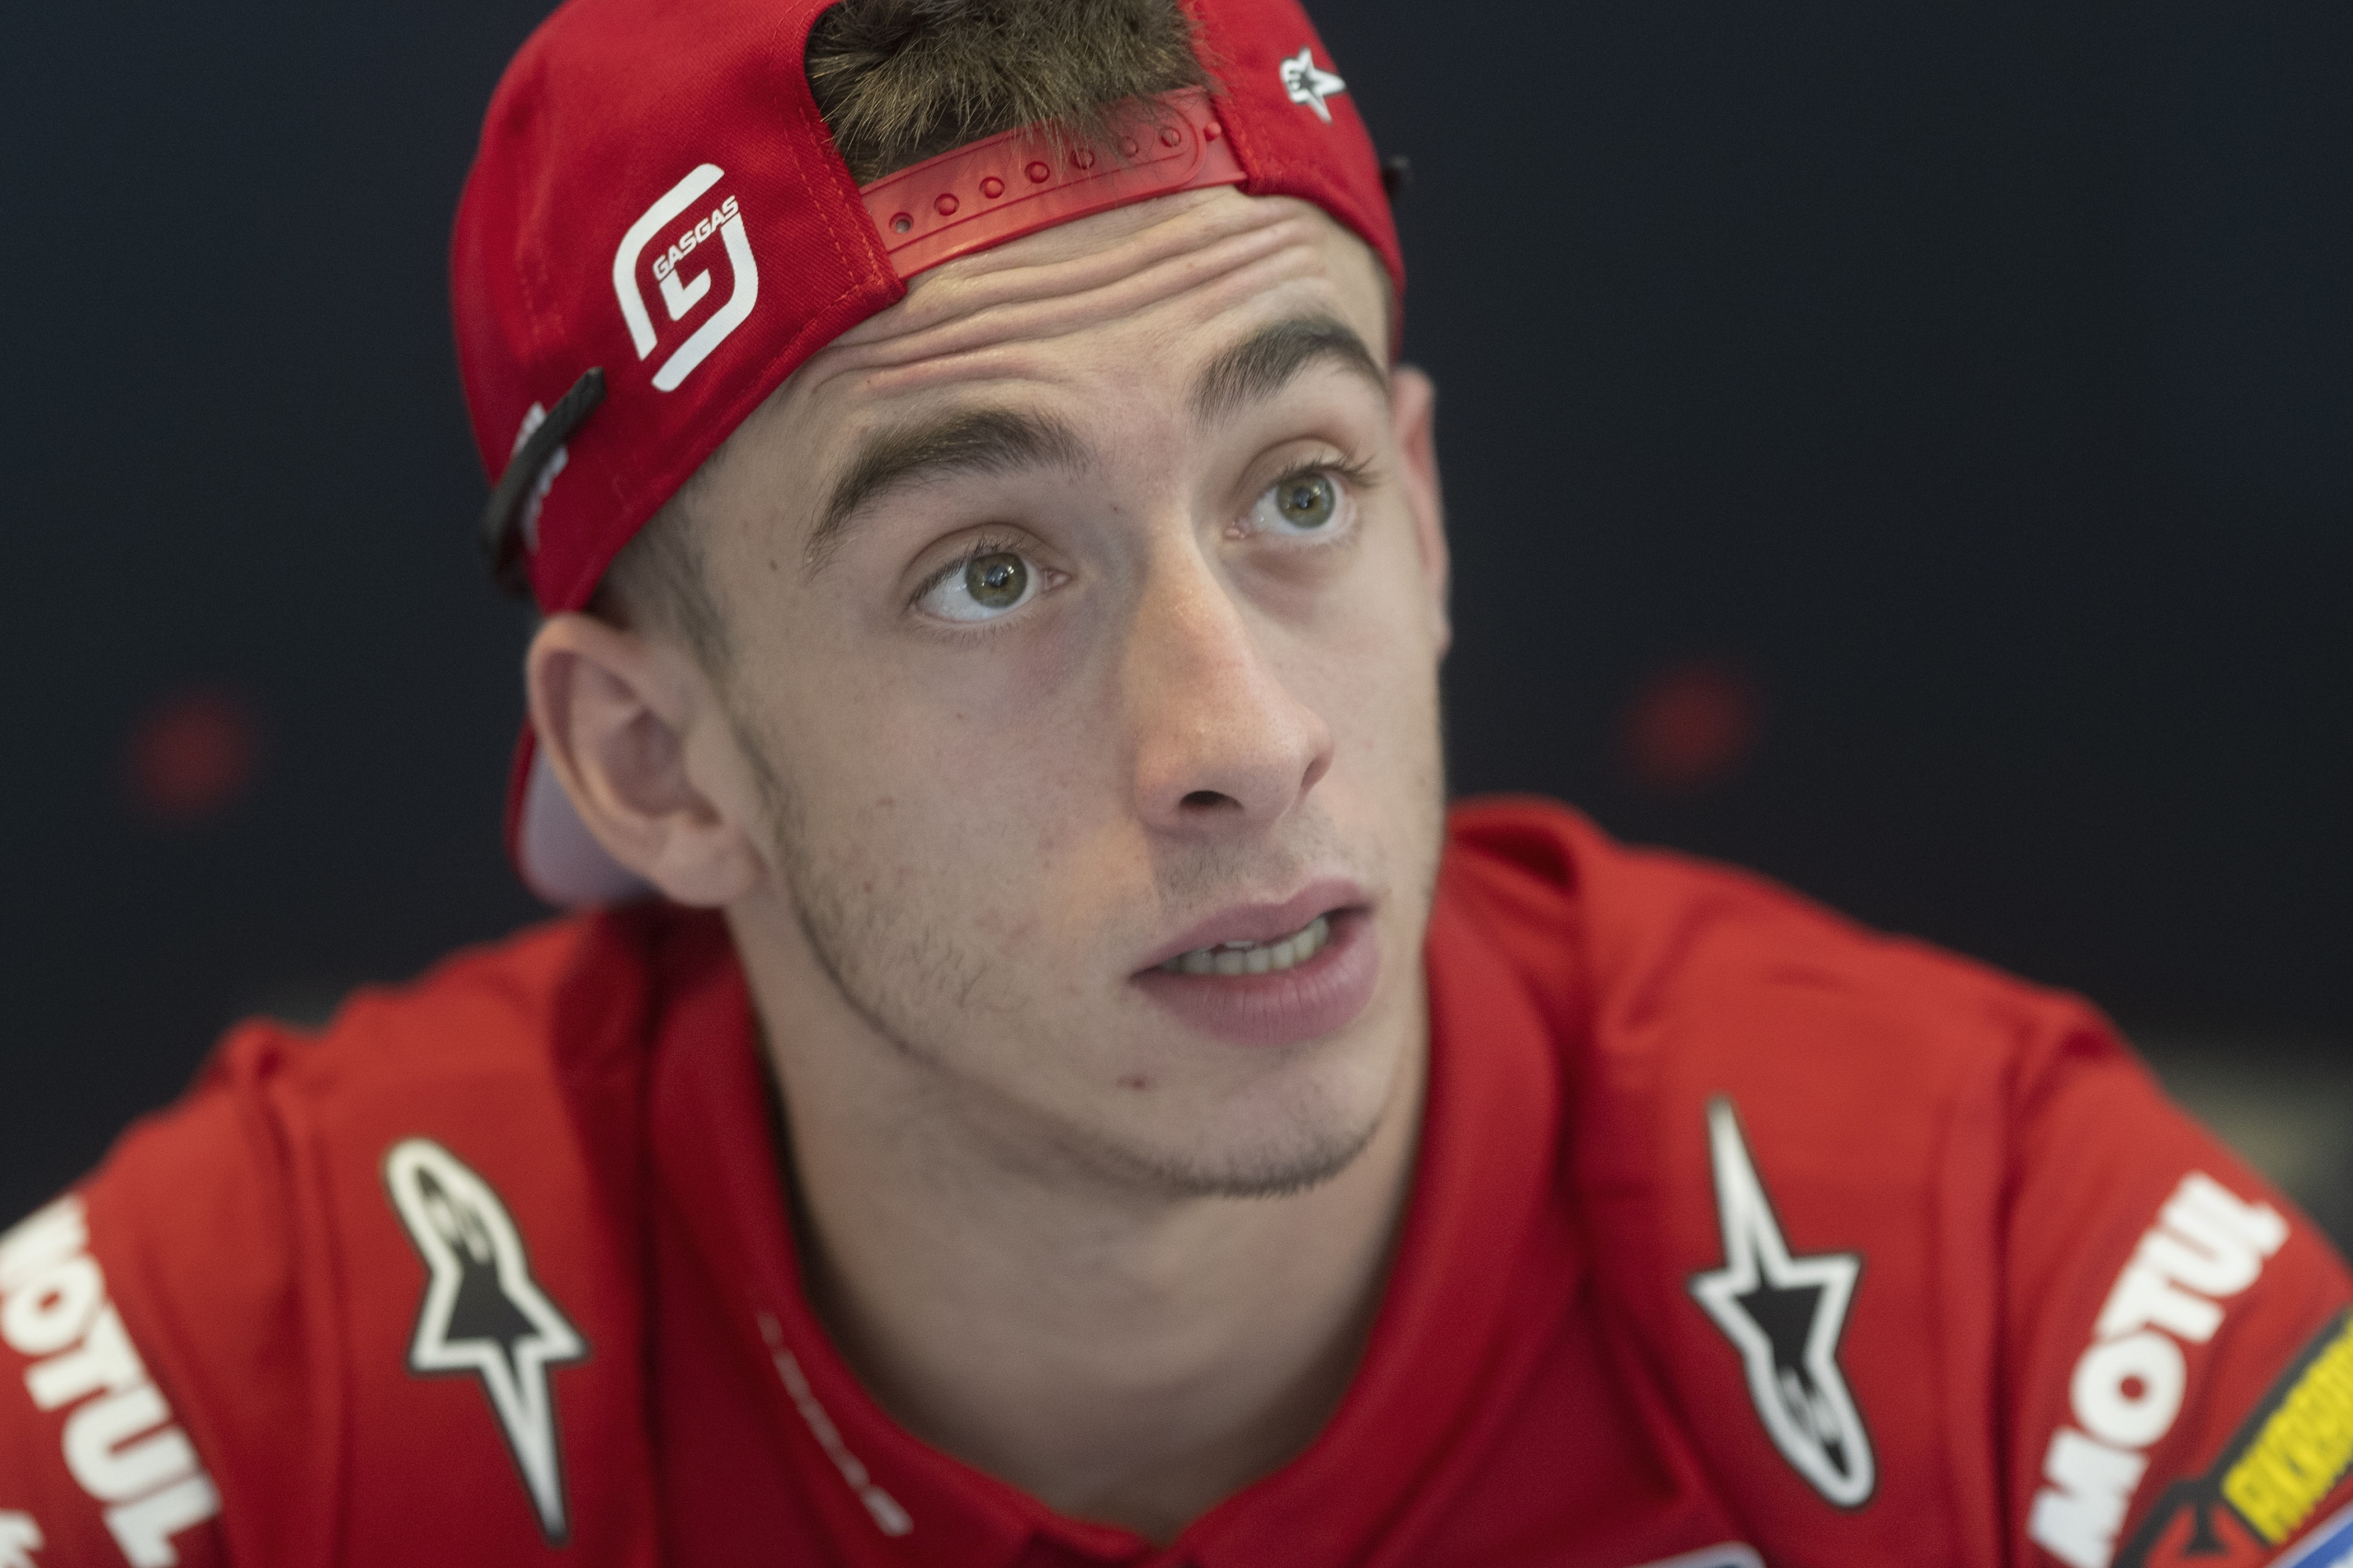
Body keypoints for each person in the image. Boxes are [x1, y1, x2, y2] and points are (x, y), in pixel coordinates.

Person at [3, 0, 2348, 1563]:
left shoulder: (1984, 1259)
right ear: (649, 761)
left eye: (1299, 489)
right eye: (989, 571)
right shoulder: (266, 1359)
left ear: (1426, 522)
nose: (1241, 741)